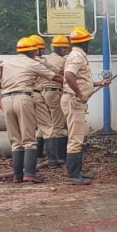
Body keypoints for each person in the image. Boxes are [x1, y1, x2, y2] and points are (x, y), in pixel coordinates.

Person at [0, 37, 61, 183]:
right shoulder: (33, 63)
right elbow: (56, 77)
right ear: (33, 51)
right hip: (24, 98)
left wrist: (7, 89)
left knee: (15, 140)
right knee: (29, 139)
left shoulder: (6, 63)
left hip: (6, 99)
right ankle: (30, 173)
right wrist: (75, 84)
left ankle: (17, 176)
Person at [61, 27, 110, 184]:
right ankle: (73, 175)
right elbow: (69, 75)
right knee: (75, 139)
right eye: (88, 41)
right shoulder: (77, 56)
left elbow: (81, 79)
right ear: (84, 42)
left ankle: (78, 172)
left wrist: (98, 83)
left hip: (73, 100)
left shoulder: (76, 55)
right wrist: (80, 94)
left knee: (77, 137)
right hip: (74, 101)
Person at [41, 35, 71, 167]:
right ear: (58, 48)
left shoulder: (45, 58)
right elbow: (67, 77)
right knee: (58, 126)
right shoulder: (64, 61)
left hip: (42, 93)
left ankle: (40, 155)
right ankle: (58, 159)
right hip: (54, 92)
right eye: (64, 48)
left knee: (45, 126)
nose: (65, 50)